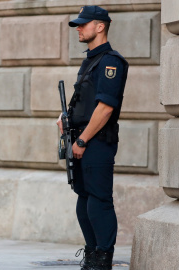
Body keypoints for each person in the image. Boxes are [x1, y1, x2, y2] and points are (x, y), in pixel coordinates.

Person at [56, 6, 129, 270]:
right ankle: (91, 257)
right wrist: (65, 118)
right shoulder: (91, 60)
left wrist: (83, 140)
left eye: (84, 24)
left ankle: (102, 259)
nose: (79, 28)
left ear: (100, 27)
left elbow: (105, 108)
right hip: (81, 140)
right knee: (84, 198)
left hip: (96, 142)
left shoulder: (111, 61)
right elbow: (86, 101)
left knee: (99, 200)